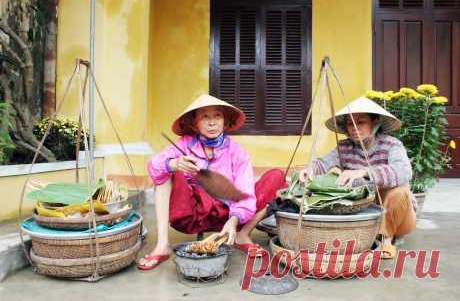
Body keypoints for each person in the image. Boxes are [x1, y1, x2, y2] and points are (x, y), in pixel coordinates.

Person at [137, 94, 286, 270]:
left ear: (225, 121)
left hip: (228, 216)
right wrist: (174, 164)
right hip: (194, 213)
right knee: (164, 171)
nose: (212, 122)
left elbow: (245, 192)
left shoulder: (237, 152)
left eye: (217, 116)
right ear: (194, 123)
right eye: (204, 117)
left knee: (277, 177)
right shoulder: (185, 144)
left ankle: (243, 235)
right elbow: (154, 168)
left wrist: (234, 219)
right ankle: (163, 245)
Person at [299, 96, 417, 259]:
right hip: (366, 214)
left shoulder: (392, 145)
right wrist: (310, 169)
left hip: (399, 217)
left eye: (361, 122)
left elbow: (404, 171)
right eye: (350, 123)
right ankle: (369, 234)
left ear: (375, 123)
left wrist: (363, 172)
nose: (354, 127)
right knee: (334, 174)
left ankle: (386, 239)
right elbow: (325, 162)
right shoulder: (344, 147)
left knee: (399, 190)